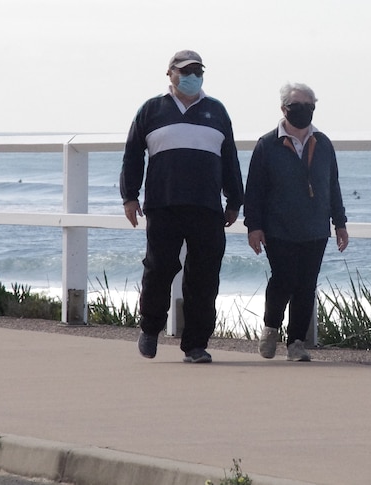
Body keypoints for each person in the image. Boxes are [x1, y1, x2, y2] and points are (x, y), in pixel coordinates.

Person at [120, 50, 245, 364]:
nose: (192, 76)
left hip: (207, 207)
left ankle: (196, 344)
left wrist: (234, 200)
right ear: (170, 74)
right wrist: (130, 196)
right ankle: (150, 328)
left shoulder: (216, 111)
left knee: (204, 277)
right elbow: (133, 155)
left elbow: (229, 157)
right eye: (185, 71)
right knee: (159, 269)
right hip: (164, 205)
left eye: (197, 71)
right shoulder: (151, 110)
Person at [244, 82, 349, 362]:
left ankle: (296, 343)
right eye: (296, 106)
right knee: (284, 279)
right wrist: (253, 226)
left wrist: (340, 223)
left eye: (308, 106)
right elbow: (253, 189)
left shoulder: (324, 143)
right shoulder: (267, 145)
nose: (303, 111)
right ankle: (270, 328)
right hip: (278, 227)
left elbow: (332, 185)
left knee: (306, 285)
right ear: (283, 109)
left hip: (315, 228)